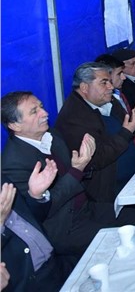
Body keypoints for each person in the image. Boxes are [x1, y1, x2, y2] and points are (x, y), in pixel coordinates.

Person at [1, 91, 123, 258]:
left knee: (133, 213)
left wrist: (83, 162)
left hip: (86, 208)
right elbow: (43, 210)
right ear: (15, 125)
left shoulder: (52, 136)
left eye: (41, 107)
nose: (45, 113)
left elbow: (73, 175)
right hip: (64, 227)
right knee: (117, 239)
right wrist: (77, 169)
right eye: (34, 111)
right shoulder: (13, 163)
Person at [53, 62, 135, 203]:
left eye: (110, 82)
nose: (111, 87)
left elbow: (127, 131)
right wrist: (127, 131)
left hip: (134, 176)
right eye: (104, 83)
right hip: (110, 191)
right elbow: (96, 158)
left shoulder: (108, 100)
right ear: (84, 87)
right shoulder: (73, 117)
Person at [0, 176, 75, 292]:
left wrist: (36, 196)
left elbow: (29, 220)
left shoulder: (3, 181)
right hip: (30, 283)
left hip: (57, 263)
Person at [95, 54, 135, 164]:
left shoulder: (119, 95)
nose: (124, 77)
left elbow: (130, 124)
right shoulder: (104, 106)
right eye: (119, 74)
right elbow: (115, 140)